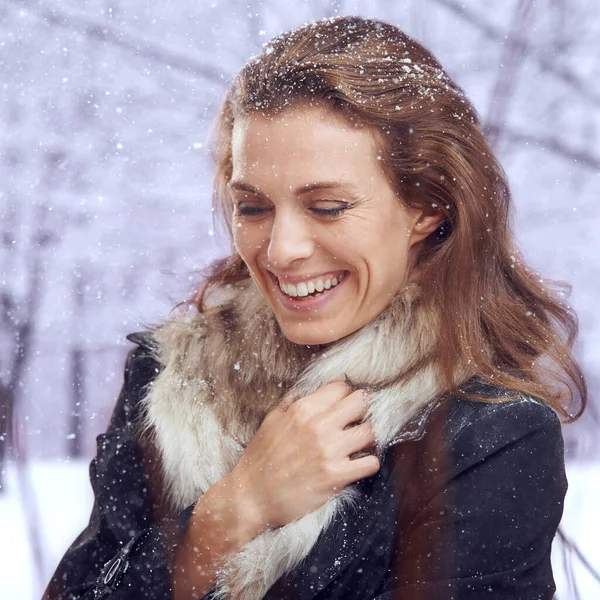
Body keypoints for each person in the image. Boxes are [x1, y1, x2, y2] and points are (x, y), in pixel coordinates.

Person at [43, 15, 586, 600]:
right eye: (253, 208)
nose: (281, 250)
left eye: (327, 207)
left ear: (426, 207)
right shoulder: (172, 382)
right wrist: (230, 512)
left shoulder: (493, 433)